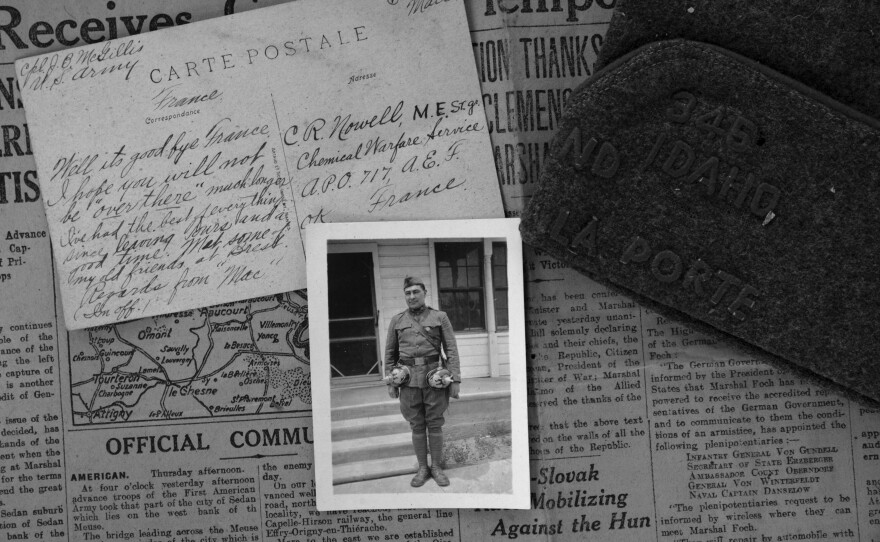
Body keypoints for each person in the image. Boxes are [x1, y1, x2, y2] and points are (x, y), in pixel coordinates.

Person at [384, 276, 460, 487]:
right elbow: (390, 353)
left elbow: (451, 349)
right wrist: (390, 382)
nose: (412, 296)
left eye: (416, 291)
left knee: (435, 424)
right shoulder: (397, 320)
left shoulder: (439, 317)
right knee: (417, 425)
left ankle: (436, 467)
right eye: (408, 293)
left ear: (425, 293)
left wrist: (456, 379)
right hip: (407, 381)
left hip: (434, 377)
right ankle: (422, 468)